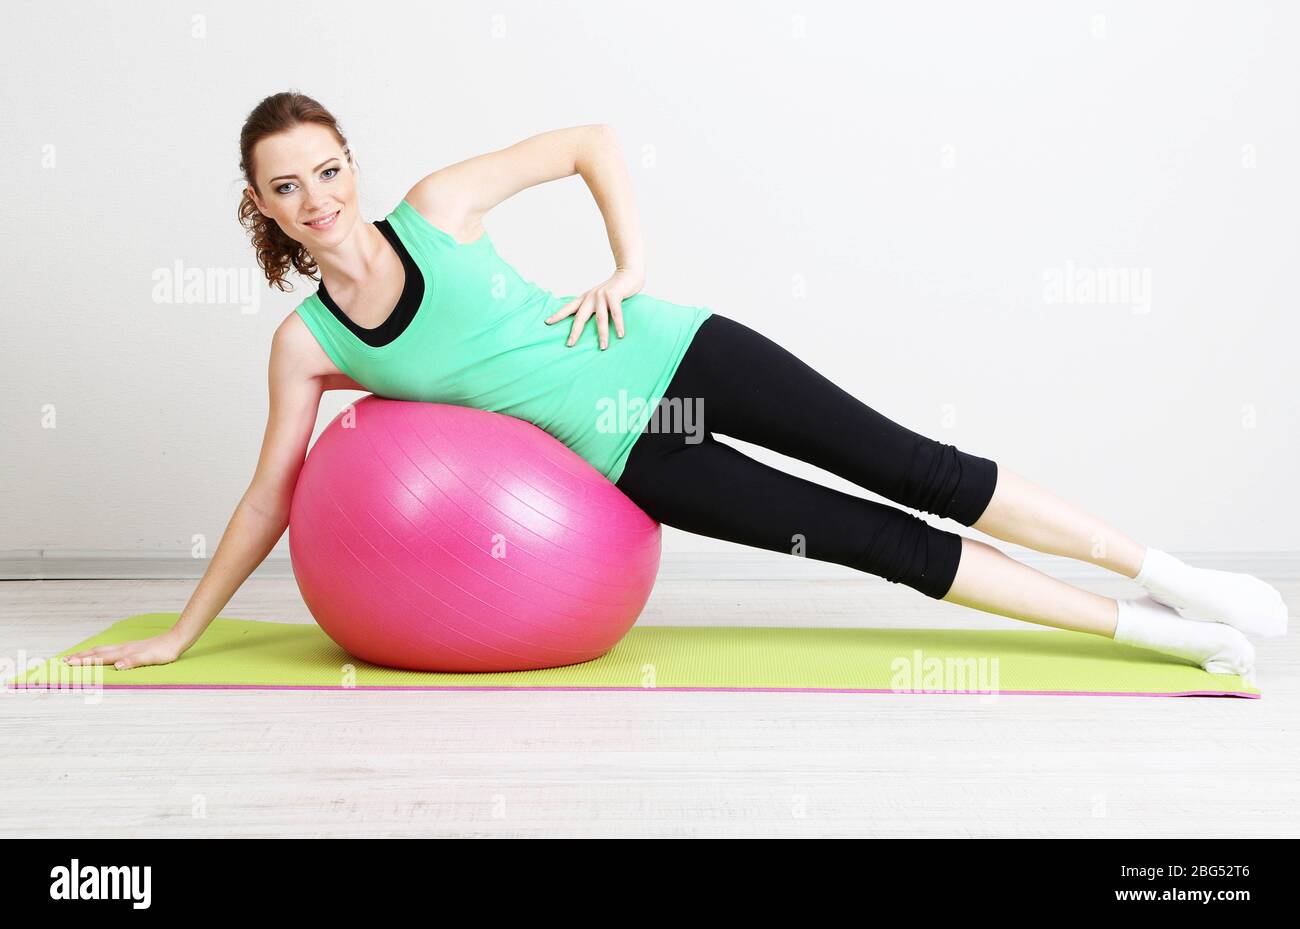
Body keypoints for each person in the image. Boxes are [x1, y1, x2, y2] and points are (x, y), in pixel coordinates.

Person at [66, 92, 1286, 681]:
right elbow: (270, 495)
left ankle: (1169, 575)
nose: (318, 198)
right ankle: (1165, 640)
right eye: (289, 186)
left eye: (328, 168)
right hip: (631, 458)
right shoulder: (307, 343)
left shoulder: (439, 207)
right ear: (260, 205)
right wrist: (183, 629)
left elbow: (590, 141)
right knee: (881, 543)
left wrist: (627, 266)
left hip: (680, 353)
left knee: (920, 469)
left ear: (351, 164)